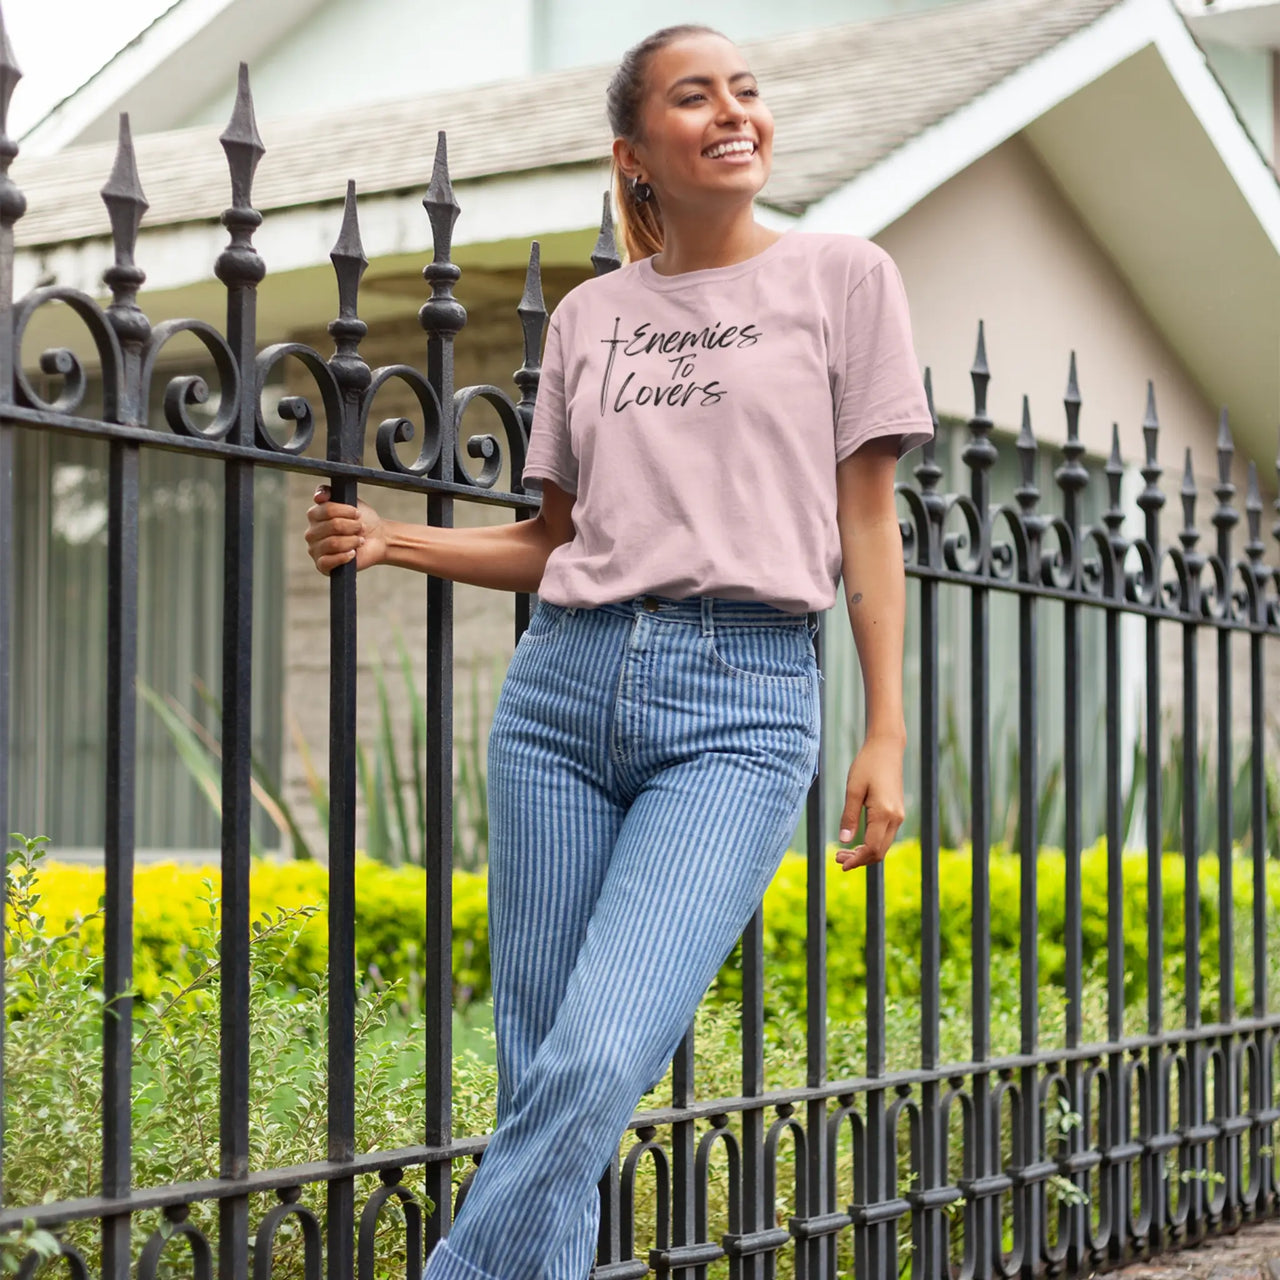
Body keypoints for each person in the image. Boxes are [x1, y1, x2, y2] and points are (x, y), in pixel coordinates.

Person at [304, 22, 934, 1280]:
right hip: (561, 693)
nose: (732, 112)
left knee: (596, 1057)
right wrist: (395, 541)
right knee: (546, 1071)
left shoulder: (841, 277)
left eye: (745, 91)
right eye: (693, 98)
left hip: (740, 704)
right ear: (634, 152)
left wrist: (882, 726)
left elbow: (868, 519)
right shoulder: (592, 316)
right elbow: (558, 539)